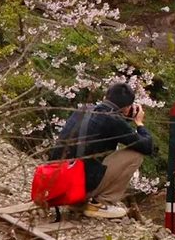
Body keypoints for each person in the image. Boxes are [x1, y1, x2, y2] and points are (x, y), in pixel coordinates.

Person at [48, 83, 155, 219]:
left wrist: (124, 118)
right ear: (127, 107)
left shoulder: (83, 110)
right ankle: (102, 203)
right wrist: (139, 123)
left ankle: (76, 201)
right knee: (136, 155)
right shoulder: (113, 120)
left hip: (58, 181)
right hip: (80, 186)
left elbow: (104, 129)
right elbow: (147, 146)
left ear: (105, 96)